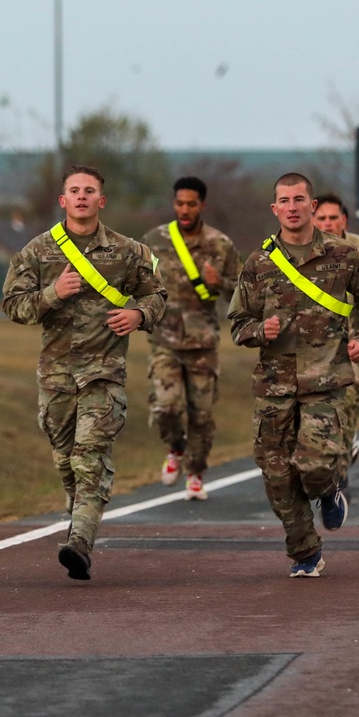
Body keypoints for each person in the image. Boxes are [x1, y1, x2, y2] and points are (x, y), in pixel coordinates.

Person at [2, 165, 167, 581]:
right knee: (65, 462)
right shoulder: (38, 251)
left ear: (101, 201)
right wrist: (51, 294)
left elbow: (158, 295)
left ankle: (79, 543)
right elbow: (13, 306)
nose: (81, 197)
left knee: (89, 456)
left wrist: (138, 314)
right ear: (63, 201)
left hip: (103, 374)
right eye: (73, 191)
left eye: (89, 191)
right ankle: (81, 518)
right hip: (56, 377)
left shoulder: (128, 251)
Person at [228, 172, 359, 578]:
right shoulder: (259, 263)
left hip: (325, 378)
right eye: (285, 200)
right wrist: (261, 331)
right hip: (273, 384)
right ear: (274, 208)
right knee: (276, 473)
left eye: (300, 199)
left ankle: (329, 488)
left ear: (313, 207)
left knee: (313, 466)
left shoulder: (345, 256)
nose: (293, 207)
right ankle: (305, 552)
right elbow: (238, 323)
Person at [143, 176, 241, 501]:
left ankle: (196, 473)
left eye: (191, 204)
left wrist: (221, 282)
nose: (184, 210)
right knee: (166, 407)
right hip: (165, 340)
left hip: (202, 343)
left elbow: (244, 292)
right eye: (179, 204)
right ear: (174, 204)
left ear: (202, 205)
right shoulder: (154, 241)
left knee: (201, 414)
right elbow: (137, 281)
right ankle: (175, 447)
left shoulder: (220, 244)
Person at [312, 193, 359, 498]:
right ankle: (330, 460)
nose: (327, 223)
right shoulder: (302, 252)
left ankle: (339, 479)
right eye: (321, 218)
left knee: (348, 404)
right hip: (314, 345)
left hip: (352, 340)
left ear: (344, 220)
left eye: (332, 218)